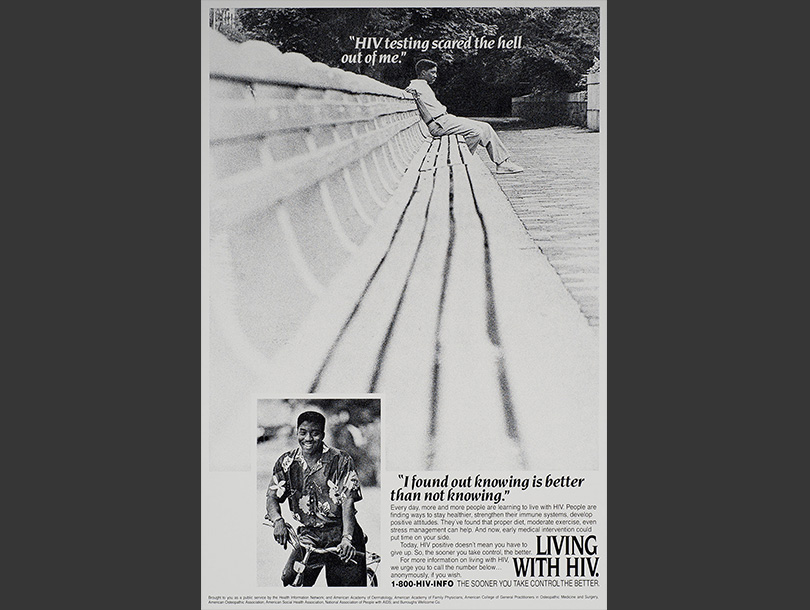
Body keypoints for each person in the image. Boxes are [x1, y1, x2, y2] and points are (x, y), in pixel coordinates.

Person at [264, 410, 367, 586]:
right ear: (297, 432)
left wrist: (347, 538)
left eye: (315, 433)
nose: (308, 438)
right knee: (290, 578)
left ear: (323, 434)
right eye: (303, 432)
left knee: (342, 591)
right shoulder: (287, 462)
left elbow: (348, 502)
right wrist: (278, 520)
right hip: (310, 535)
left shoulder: (340, 460)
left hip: (341, 532)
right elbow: (272, 496)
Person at [406, 59, 524, 174]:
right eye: (432, 72)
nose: (435, 75)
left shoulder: (423, 85)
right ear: (423, 73)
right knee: (475, 132)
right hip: (438, 124)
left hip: (445, 120)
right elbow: (408, 91)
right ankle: (460, 163)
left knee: (486, 127)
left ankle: (502, 163)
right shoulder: (416, 86)